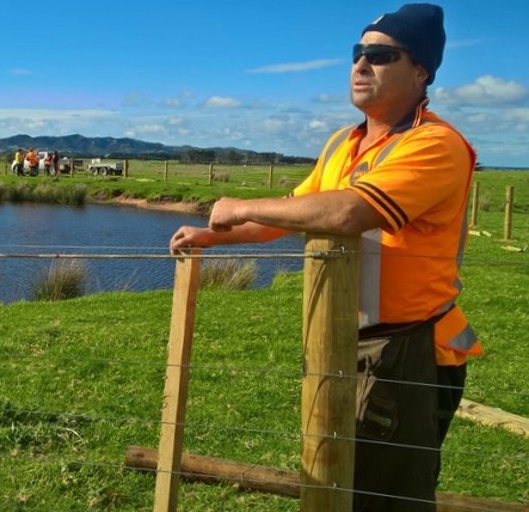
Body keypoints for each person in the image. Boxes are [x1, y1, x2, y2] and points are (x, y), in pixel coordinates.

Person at [170, 5, 479, 511]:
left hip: (405, 350)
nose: (360, 65)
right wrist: (211, 237)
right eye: (357, 53)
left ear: (421, 69)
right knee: (335, 480)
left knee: (383, 495)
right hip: (341, 337)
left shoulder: (435, 144)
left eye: (380, 55)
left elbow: (348, 213)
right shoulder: (345, 142)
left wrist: (240, 204)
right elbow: (293, 213)